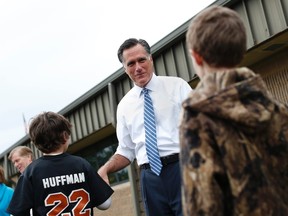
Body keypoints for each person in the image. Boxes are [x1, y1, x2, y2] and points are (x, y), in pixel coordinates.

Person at [180, 5, 288, 216]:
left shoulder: (198, 117)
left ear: (197, 57)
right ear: (241, 50)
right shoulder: (278, 110)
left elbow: (202, 205)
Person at [98, 38, 192, 216]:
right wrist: (105, 169)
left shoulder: (177, 86)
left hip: (182, 168)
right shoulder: (124, 106)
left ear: (151, 59)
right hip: (150, 179)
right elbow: (126, 150)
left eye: (141, 60)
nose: (138, 67)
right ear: (125, 69)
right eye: (131, 63)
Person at [7, 111, 114, 216]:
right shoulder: (81, 164)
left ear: (36, 142)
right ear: (65, 136)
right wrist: (104, 180)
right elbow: (105, 204)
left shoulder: (31, 171)